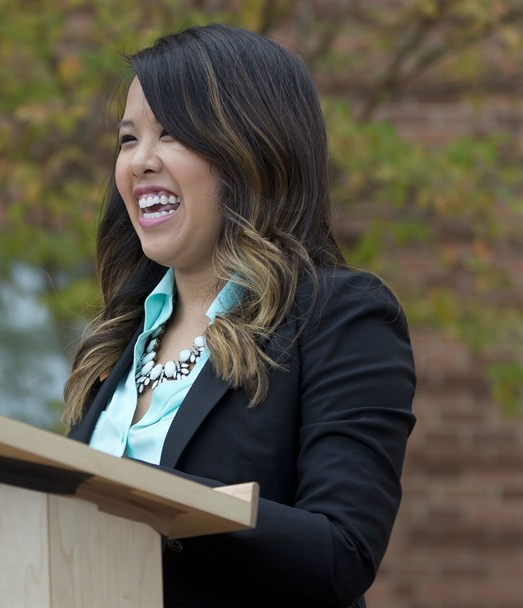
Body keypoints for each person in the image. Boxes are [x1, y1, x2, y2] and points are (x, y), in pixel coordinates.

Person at [64, 24, 416, 608]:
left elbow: (342, 552)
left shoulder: (340, 317)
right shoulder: (117, 340)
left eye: (171, 133)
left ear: (251, 148)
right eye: (129, 140)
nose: (140, 162)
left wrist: (140, 493)